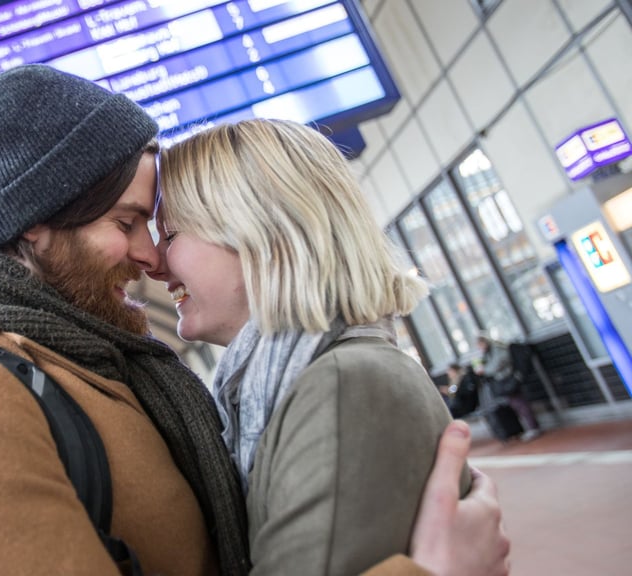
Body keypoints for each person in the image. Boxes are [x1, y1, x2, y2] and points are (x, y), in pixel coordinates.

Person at [0, 65, 508, 575]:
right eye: (127, 222)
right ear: (34, 225)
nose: (150, 256)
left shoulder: (84, 370)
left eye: (162, 229)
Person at [151, 118, 485, 575]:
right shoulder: (301, 381)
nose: (153, 263)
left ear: (261, 229)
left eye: (170, 235)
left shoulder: (341, 385)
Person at [475, 333, 541, 440]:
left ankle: (533, 427)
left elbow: (497, 365)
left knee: (520, 403)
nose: (479, 348)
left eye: (479, 345)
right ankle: (530, 427)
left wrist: (484, 370)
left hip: (509, 379)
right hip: (504, 380)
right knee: (516, 404)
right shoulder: (489, 352)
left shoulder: (497, 349)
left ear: (484, 342)